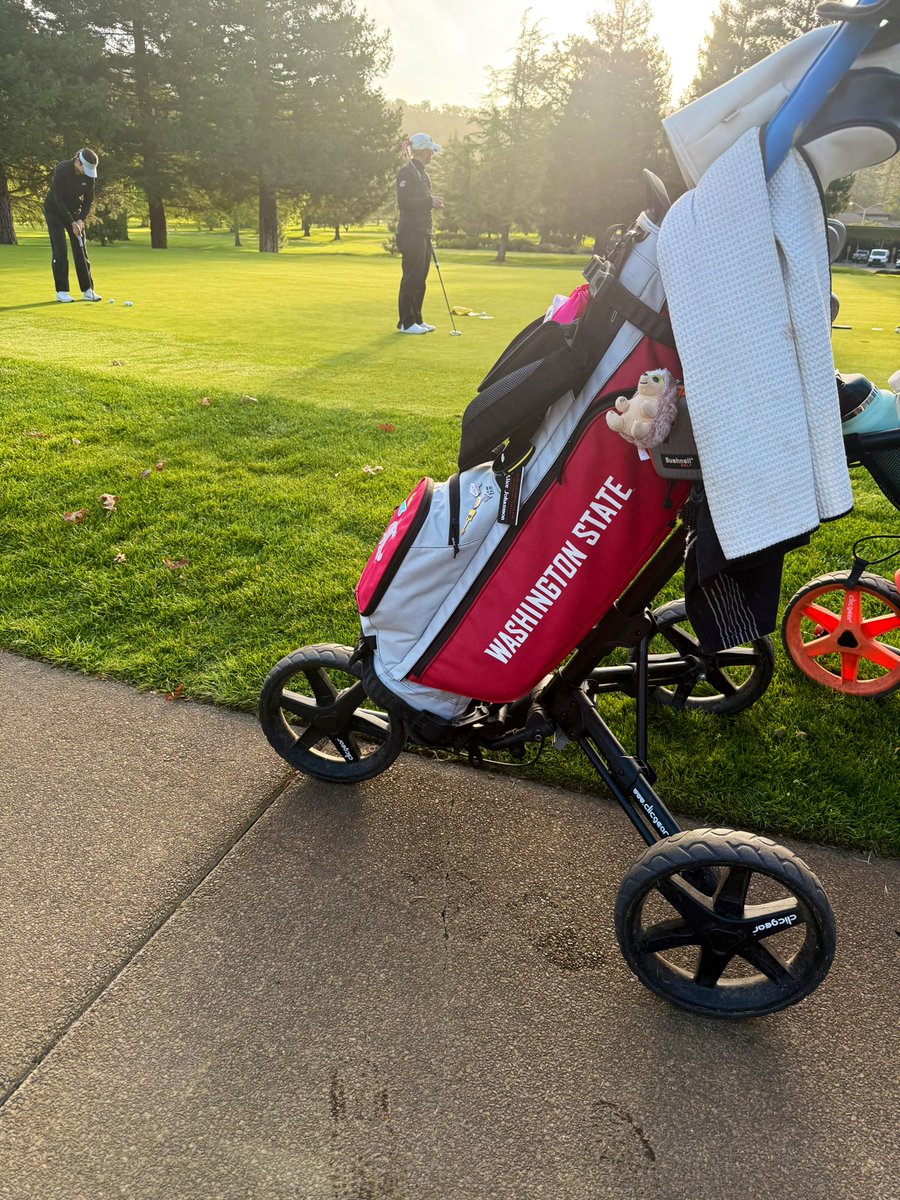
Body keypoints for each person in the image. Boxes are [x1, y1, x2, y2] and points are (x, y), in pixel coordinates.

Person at [395, 133, 443, 334]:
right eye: (431, 150)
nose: (433, 154)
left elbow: (422, 204)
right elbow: (404, 203)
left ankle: (417, 318)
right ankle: (406, 323)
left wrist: (431, 204)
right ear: (423, 151)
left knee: (421, 278)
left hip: (423, 232)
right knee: (411, 277)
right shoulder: (407, 172)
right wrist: (428, 202)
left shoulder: (422, 173)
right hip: (410, 232)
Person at [43, 148, 101, 303]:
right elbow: (58, 199)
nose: (87, 173)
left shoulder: (88, 176)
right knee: (60, 249)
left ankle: (87, 290)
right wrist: (72, 222)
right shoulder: (62, 169)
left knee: (81, 248)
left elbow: (88, 200)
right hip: (55, 211)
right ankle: (61, 291)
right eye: (85, 169)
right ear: (78, 162)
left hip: (75, 211)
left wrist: (81, 220)